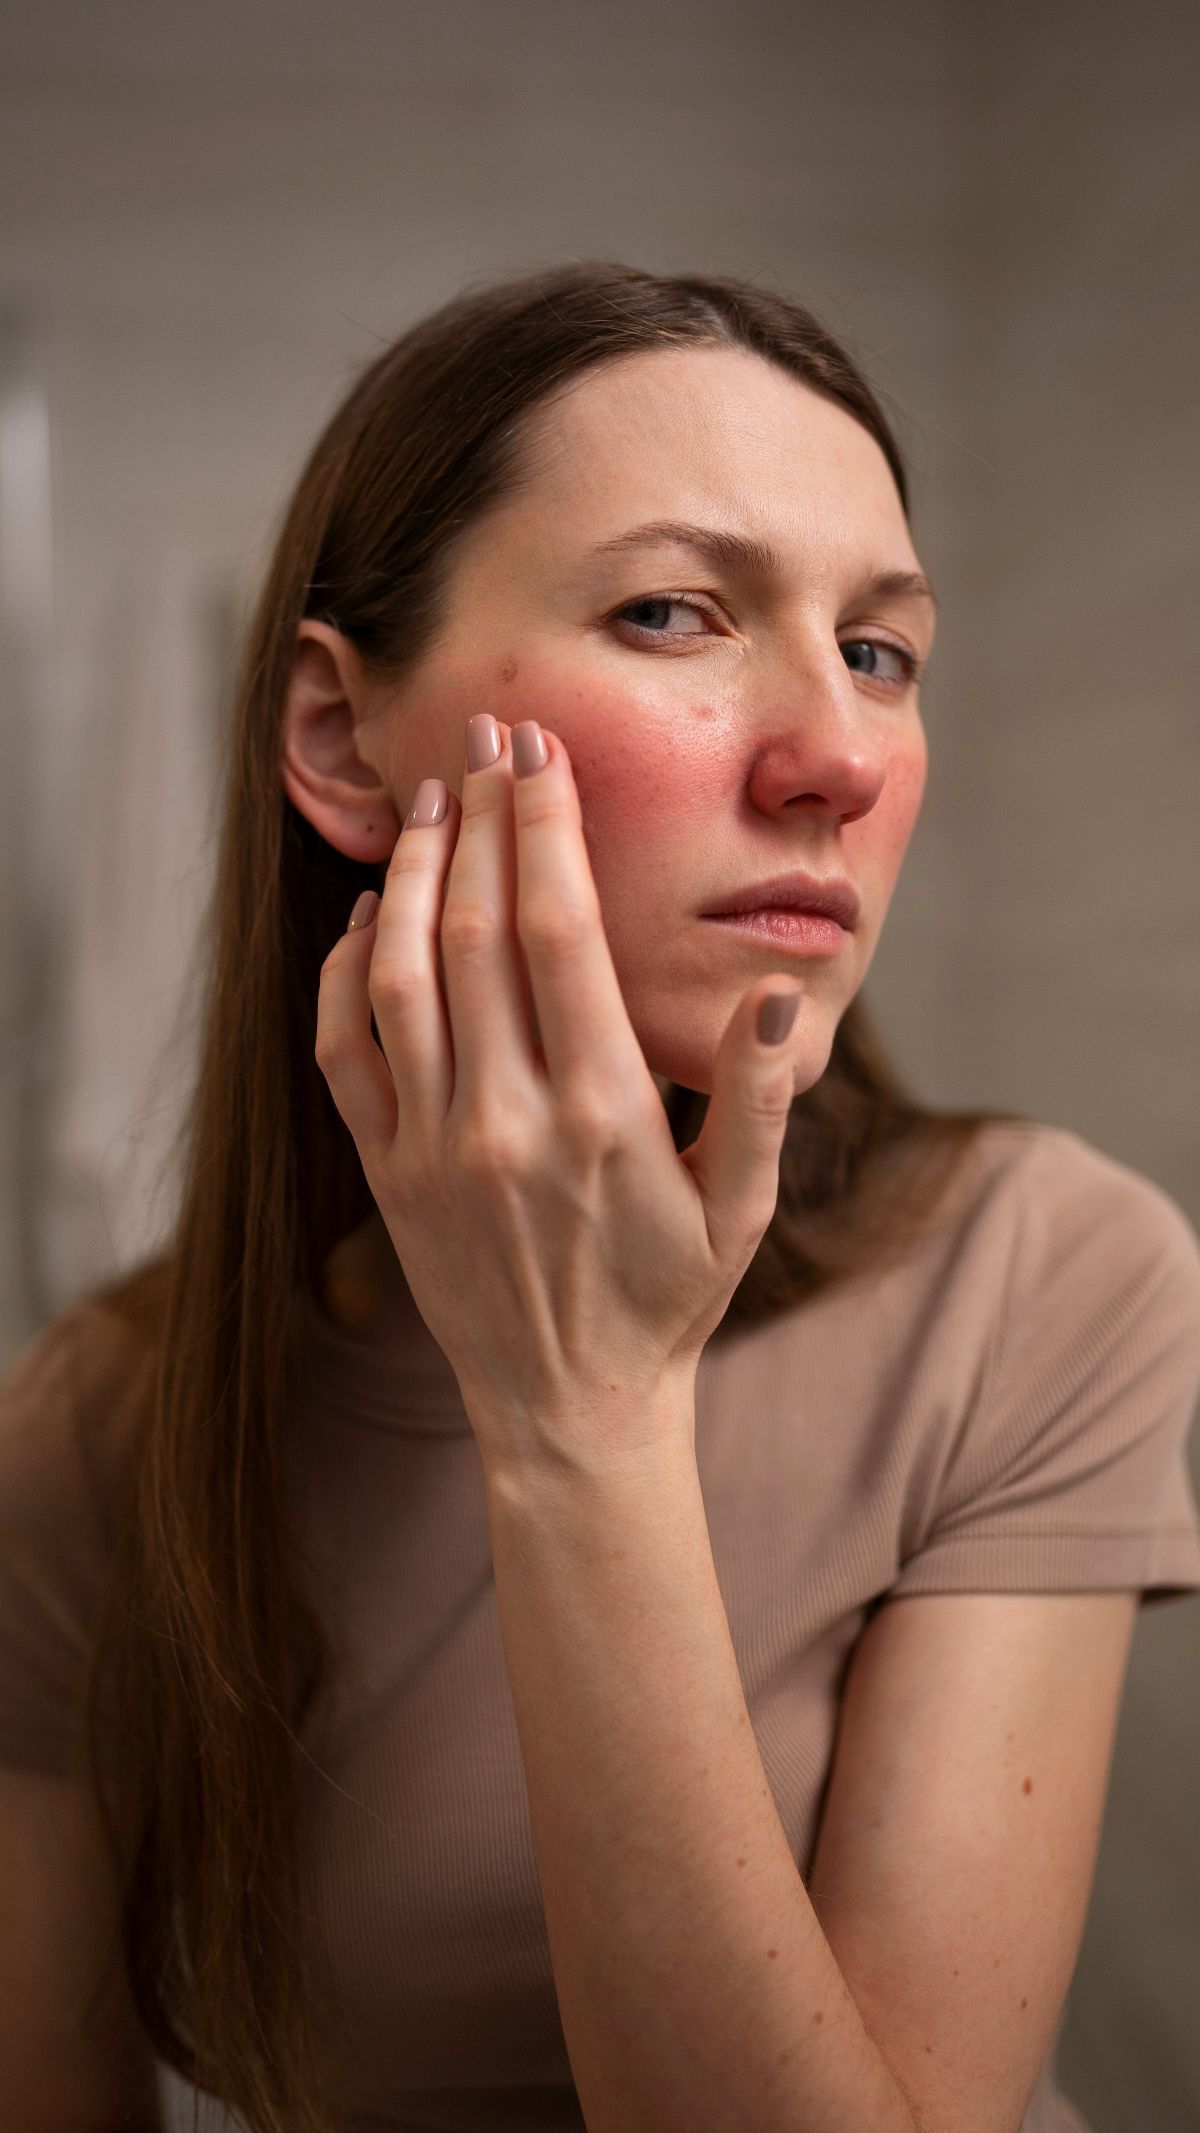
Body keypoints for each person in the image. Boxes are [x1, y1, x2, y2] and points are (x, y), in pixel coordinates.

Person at [1, 261, 1198, 2133]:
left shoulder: (1050, 1274)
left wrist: (585, 1419)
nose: (841, 755)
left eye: (882, 649)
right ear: (338, 740)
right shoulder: (94, 1437)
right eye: (673, 612)